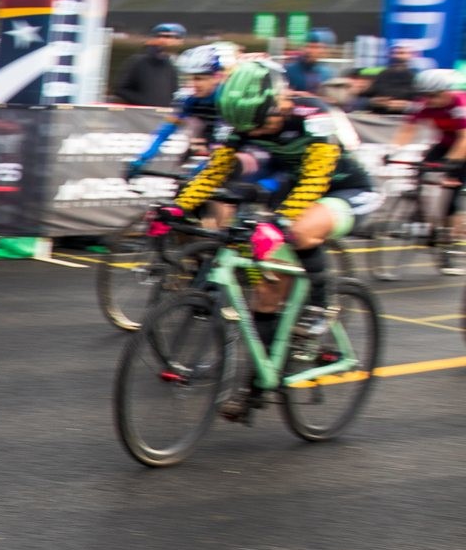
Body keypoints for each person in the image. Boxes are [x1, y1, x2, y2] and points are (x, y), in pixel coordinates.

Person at [154, 59, 380, 419]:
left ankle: (320, 308)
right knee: (266, 289)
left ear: (279, 104)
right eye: (246, 128)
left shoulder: (313, 117)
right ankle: (260, 383)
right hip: (294, 188)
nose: (253, 134)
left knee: (301, 231)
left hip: (346, 189)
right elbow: (213, 173)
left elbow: (316, 180)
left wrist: (280, 222)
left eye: (260, 125)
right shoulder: (245, 122)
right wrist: (176, 209)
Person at [385, 68, 466, 274]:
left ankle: (447, 244)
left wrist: (450, 164)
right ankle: (423, 219)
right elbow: (407, 129)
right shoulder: (422, 103)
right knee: (420, 169)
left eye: (433, 96)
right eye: (425, 96)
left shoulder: (459, 104)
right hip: (445, 143)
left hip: (462, 144)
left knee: (452, 190)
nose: (428, 100)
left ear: (446, 91)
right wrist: (393, 151)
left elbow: (463, 138)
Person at [125, 42, 233, 177]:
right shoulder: (189, 99)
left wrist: (203, 170)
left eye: (199, 79)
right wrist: (142, 159)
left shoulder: (226, 100)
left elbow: (224, 144)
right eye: (190, 78)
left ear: (217, 77)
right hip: (211, 141)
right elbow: (164, 132)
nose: (193, 84)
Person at [113, 23, 185, 107]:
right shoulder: (138, 61)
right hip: (141, 115)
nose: (165, 40)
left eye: (173, 37)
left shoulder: (170, 65)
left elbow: (173, 92)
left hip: (162, 114)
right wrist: (147, 103)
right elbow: (121, 89)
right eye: (163, 36)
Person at [363, 42, 418, 115]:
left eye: (401, 53)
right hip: (379, 119)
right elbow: (361, 99)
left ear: (412, 55)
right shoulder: (380, 75)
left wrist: (408, 106)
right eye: (394, 53)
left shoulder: (418, 77)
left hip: (407, 120)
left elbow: (428, 104)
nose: (396, 56)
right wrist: (373, 102)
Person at [283, 28, 336, 96]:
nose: (309, 51)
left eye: (315, 47)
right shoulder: (288, 70)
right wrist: (296, 94)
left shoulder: (327, 74)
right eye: (308, 46)